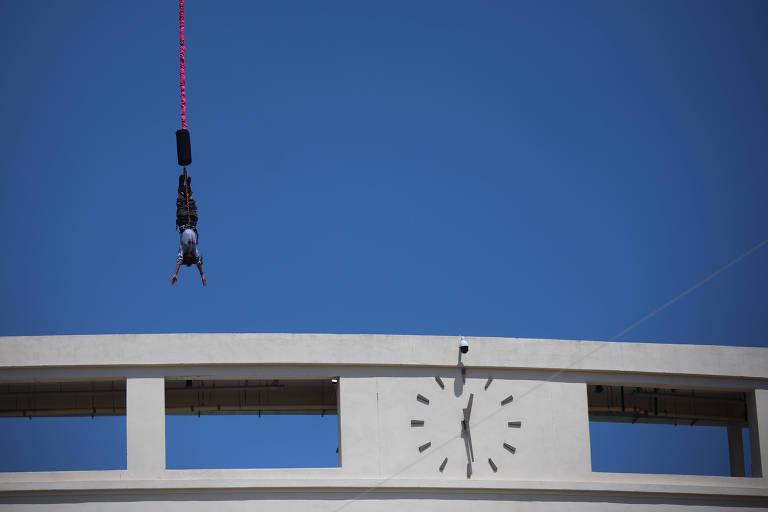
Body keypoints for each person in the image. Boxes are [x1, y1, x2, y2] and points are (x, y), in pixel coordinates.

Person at [171, 171, 206, 286]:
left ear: (187, 257)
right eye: (193, 258)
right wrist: (202, 275)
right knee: (190, 201)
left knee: (181, 201)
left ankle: (181, 185)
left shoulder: (183, 251)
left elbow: (178, 262)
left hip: (183, 222)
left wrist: (176, 273)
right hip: (192, 221)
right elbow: (199, 263)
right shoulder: (194, 252)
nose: (192, 256)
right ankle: (188, 187)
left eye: (189, 258)